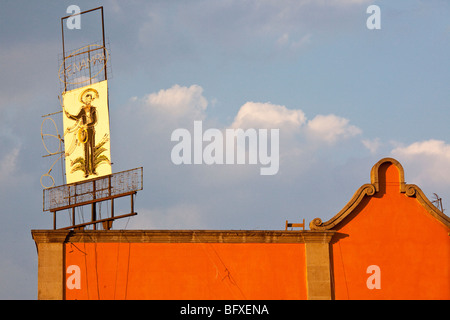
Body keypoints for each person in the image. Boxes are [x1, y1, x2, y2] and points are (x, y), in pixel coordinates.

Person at [64, 89, 98, 178]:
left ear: (91, 100)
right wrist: (69, 115)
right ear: (85, 100)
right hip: (84, 132)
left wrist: (87, 125)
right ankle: (86, 171)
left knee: (92, 149)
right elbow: (77, 117)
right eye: (87, 99)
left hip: (91, 130)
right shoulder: (83, 109)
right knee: (86, 150)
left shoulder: (93, 109)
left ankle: (93, 170)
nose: (88, 100)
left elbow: (95, 121)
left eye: (90, 99)